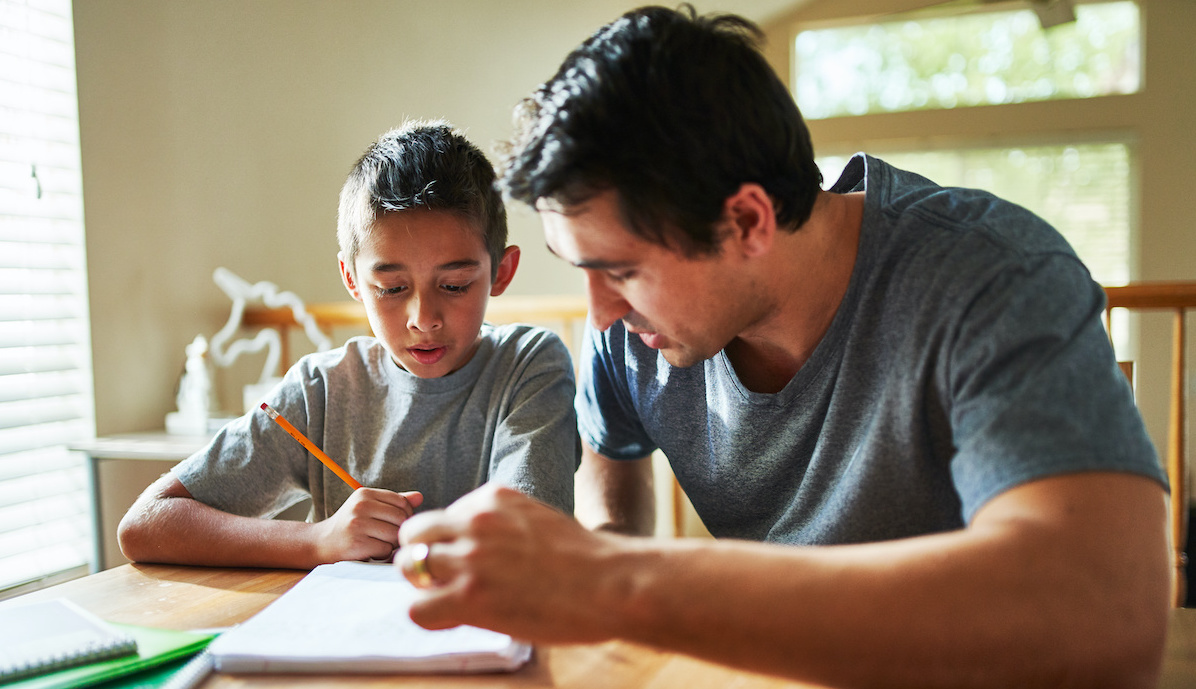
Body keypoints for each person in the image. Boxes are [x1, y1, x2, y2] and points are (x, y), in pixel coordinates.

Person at [393, 6, 1171, 688]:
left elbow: (1110, 619)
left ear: (749, 221)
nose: (599, 313)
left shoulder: (993, 276)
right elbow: (611, 537)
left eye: (622, 271)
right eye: (584, 271)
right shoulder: (630, 341)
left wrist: (613, 580)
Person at [119, 121, 579, 569]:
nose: (423, 319)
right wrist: (316, 540)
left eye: (455, 285)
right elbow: (145, 523)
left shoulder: (529, 366)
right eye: (392, 288)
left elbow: (531, 540)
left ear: (501, 271)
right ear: (352, 280)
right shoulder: (322, 389)